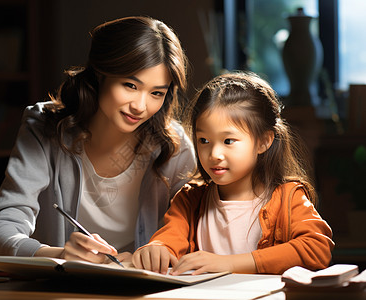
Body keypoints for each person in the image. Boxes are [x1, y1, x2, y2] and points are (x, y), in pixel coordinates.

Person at [0, 16, 196, 263]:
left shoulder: (173, 146)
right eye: (130, 85)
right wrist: (59, 255)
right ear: (100, 74)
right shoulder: (45, 128)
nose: (140, 106)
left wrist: (164, 248)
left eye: (156, 93)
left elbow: (196, 230)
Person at [132, 71, 334, 275]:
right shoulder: (189, 199)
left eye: (228, 141)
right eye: (204, 141)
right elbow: (168, 240)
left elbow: (317, 248)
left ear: (264, 141)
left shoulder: (289, 199)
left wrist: (229, 264)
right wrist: (156, 249)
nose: (214, 154)